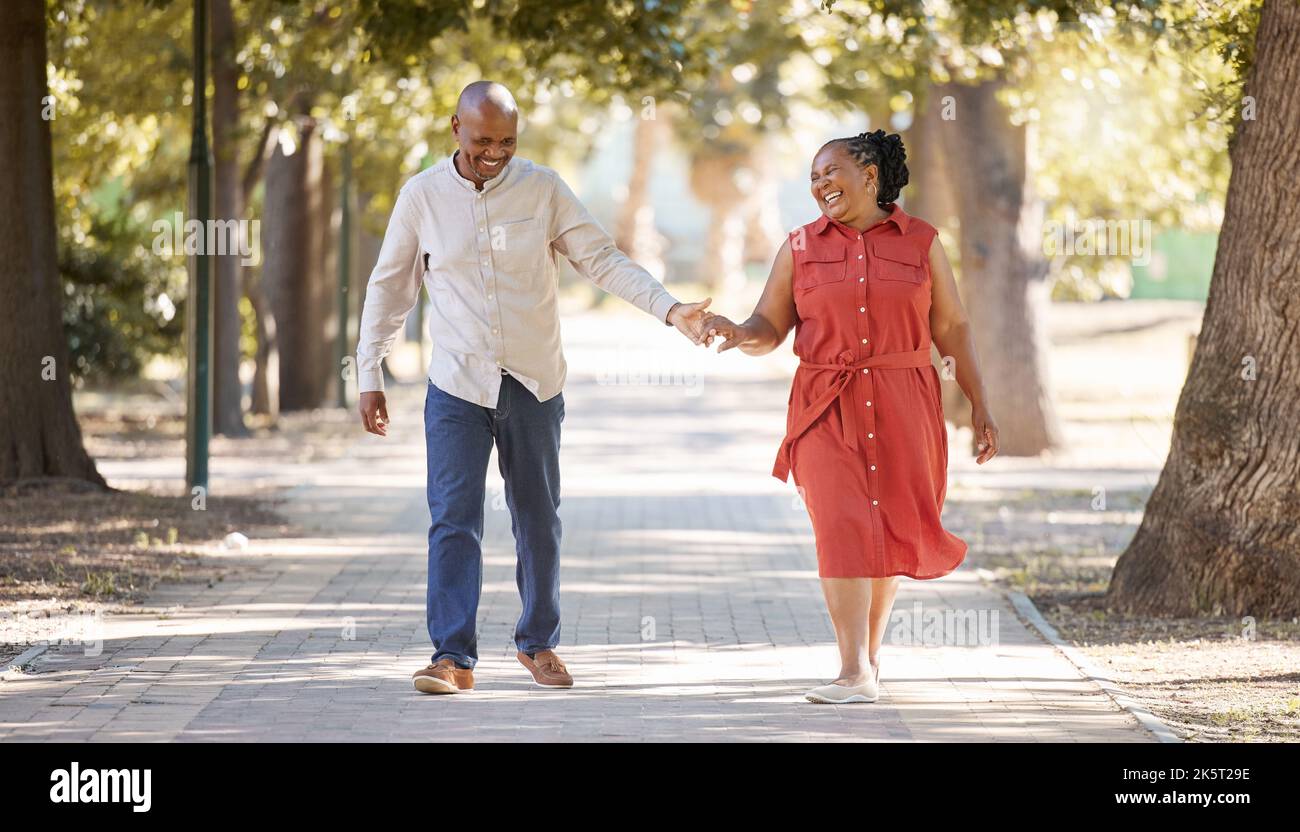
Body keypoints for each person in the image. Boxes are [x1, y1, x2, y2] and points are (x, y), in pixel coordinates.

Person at [355, 81, 711, 695]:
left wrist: (670, 309)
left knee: (539, 519)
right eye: (482, 140)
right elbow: (390, 289)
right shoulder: (422, 197)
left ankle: (539, 643)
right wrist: (369, 373)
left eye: (507, 141)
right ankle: (452, 657)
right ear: (454, 128)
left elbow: (601, 258)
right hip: (457, 384)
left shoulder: (542, 188)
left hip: (533, 382)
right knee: (453, 521)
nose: (495, 152)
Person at [700, 129, 1000, 704]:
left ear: (869, 175)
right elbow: (769, 325)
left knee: (884, 529)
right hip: (824, 405)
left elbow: (953, 328)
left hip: (905, 401)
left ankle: (869, 660)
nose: (819, 185)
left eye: (829, 172)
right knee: (841, 525)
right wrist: (739, 334)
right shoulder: (800, 246)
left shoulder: (921, 242)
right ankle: (851, 671)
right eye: (813, 177)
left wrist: (980, 402)